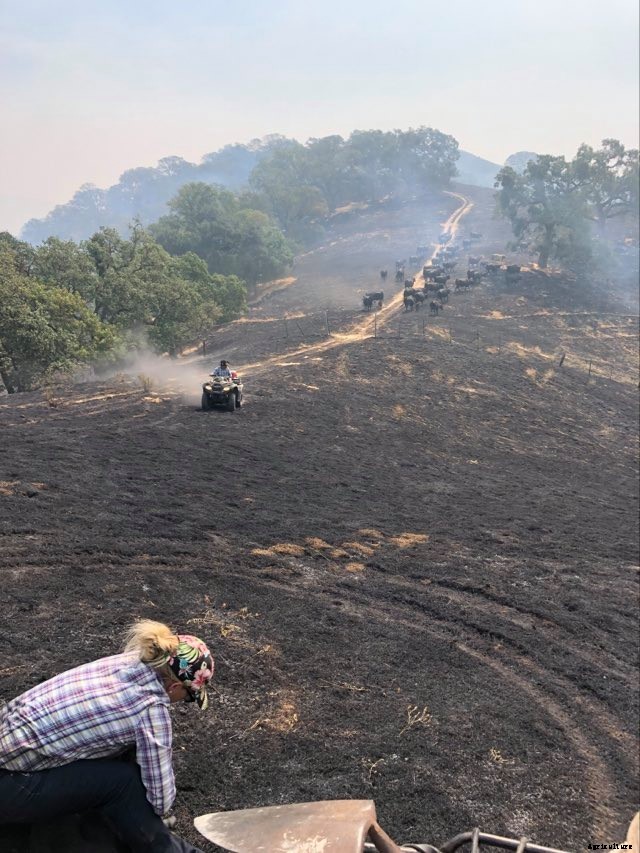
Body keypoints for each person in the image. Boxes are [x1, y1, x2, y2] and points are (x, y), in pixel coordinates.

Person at [0, 620, 213, 852]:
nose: (185, 701)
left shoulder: (126, 661)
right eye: (189, 696)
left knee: (119, 759)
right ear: (174, 687)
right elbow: (161, 800)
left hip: (9, 753)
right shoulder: (151, 709)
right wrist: (149, 810)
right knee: (124, 783)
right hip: (10, 784)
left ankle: (115, 831)